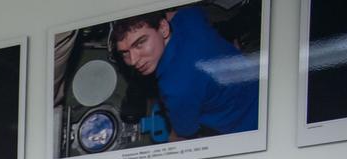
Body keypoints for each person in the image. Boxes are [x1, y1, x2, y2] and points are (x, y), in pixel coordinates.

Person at [111, 7, 260, 140]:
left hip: (248, 126)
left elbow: (186, 132)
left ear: (163, 28)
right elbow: (184, 13)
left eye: (139, 43)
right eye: (125, 52)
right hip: (257, 86)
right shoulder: (189, 18)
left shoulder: (176, 87)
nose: (133, 60)